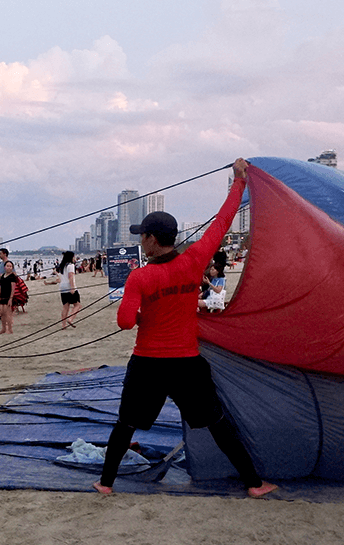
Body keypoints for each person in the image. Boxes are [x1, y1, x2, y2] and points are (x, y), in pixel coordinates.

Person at [93, 158, 278, 498]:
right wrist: (239, 182)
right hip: (186, 363)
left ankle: (106, 484)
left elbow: (122, 321)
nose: (142, 242)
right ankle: (254, 483)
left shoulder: (141, 276)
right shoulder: (194, 260)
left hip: (148, 363)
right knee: (216, 422)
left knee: (126, 423)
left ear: (150, 240)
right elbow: (222, 223)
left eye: (142, 237)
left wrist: (140, 317)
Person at [57, 250, 82, 329]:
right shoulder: (71, 265)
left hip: (62, 287)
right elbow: (71, 276)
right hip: (69, 286)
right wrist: (72, 288)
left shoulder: (62, 265)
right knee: (78, 305)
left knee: (65, 307)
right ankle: (70, 319)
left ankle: (64, 325)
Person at [0, 261, 19, 334]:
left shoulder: (12, 277)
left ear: (12, 268)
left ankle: (9, 329)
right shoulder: (3, 275)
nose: (9, 267)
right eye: (7, 266)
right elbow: (0, 286)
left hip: (8, 296)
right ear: (4, 267)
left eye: (10, 266)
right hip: (2, 296)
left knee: (8, 314)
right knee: (2, 313)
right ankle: (3, 328)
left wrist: (11, 298)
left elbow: (13, 288)